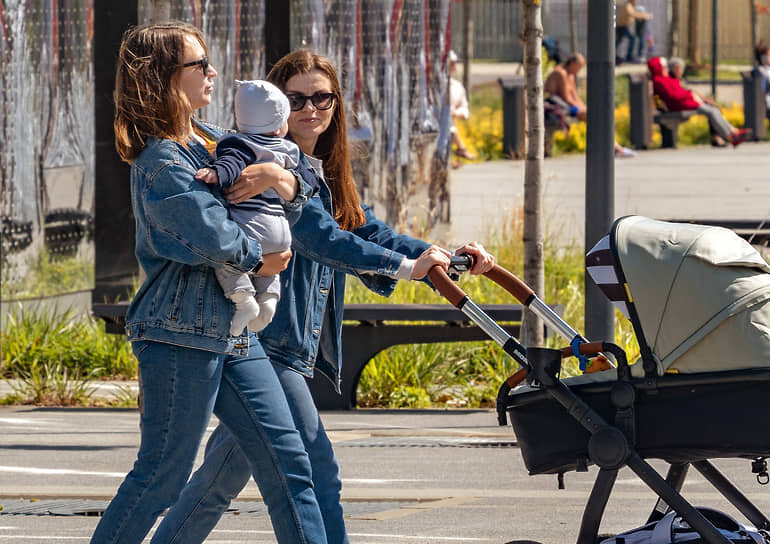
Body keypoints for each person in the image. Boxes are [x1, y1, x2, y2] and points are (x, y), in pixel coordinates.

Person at [152, 50, 496, 544]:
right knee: (314, 467)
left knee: (219, 481)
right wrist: (408, 267)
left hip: (279, 346)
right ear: (274, 102)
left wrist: (438, 255)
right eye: (297, 99)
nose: (310, 109)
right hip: (265, 342)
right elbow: (320, 237)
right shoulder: (256, 161)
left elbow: (363, 230)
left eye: (322, 97)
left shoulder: (321, 171)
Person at [92, 23, 326, 544]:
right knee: (161, 479)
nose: (213, 72)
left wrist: (281, 181)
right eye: (200, 65)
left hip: (234, 330)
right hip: (179, 332)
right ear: (164, 79)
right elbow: (215, 237)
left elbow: (303, 181)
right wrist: (262, 255)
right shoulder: (162, 163)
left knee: (291, 464)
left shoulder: (211, 140)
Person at [195, 79, 299, 335]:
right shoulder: (289, 150)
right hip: (281, 232)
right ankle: (269, 301)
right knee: (270, 274)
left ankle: (243, 300)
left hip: (252, 227)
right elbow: (307, 183)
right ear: (279, 125)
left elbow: (230, 164)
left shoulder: (239, 144)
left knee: (226, 260)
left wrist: (215, 173)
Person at [545, 53, 636, 158]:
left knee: (597, 114)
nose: (579, 70)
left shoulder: (570, 75)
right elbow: (567, 98)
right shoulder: (560, 73)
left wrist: (585, 107)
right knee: (594, 116)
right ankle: (613, 148)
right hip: (558, 107)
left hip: (568, 107)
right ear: (572, 63)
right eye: (579, 67)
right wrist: (583, 109)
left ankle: (614, 147)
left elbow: (575, 97)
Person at [647, 56, 750, 147]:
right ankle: (730, 136)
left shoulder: (665, 79)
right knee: (711, 111)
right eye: (664, 67)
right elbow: (672, 96)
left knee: (713, 109)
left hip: (684, 103)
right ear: (658, 68)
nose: (666, 69)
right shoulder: (660, 81)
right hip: (680, 105)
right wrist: (690, 95)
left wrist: (693, 95)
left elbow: (679, 91)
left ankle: (733, 132)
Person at [447, 50, 477, 162]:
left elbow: (465, 109)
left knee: (448, 120)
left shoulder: (457, 86)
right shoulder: (432, 85)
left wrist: (455, 113)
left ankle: (457, 152)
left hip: (449, 123)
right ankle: (460, 149)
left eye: (454, 64)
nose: (453, 67)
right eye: (450, 64)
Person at [616, 0, 651, 64]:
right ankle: (628, 56)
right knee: (632, 38)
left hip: (623, 26)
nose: (635, 1)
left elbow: (635, 13)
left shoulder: (631, 6)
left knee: (618, 41)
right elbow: (632, 14)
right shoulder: (627, 5)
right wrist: (644, 16)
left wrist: (643, 14)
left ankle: (614, 53)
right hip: (622, 26)